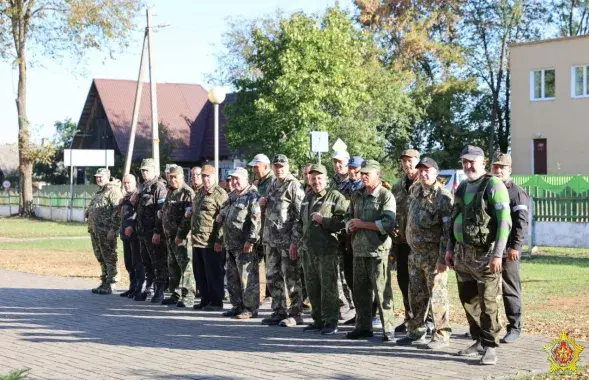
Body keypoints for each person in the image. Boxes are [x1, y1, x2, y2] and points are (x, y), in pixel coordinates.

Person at [447, 145, 512, 365]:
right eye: (464, 162)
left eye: (471, 161)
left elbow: (505, 222)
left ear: (482, 162)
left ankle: (491, 346)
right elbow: (453, 219)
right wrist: (449, 249)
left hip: (486, 256)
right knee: (468, 301)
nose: (467, 166)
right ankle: (478, 340)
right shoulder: (463, 186)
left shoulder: (494, 185)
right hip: (462, 255)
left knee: (488, 302)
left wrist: (497, 255)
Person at [395, 158, 453, 349]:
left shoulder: (443, 197)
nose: (423, 174)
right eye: (420, 171)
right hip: (415, 255)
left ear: (436, 172)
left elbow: (447, 231)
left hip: (434, 256)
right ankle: (416, 331)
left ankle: (441, 334)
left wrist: (444, 257)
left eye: (427, 170)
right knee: (415, 294)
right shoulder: (415, 191)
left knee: (437, 295)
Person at [345, 160, 396, 341]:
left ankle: (388, 329)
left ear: (378, 174)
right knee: (360, 292)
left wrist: (363, 224)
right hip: (359, 250)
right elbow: (348, 215)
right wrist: (349, 225)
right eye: (362, 173)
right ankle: (363, 327)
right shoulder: (357, 194)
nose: (363, 176)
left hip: (377, 251)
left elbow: (389, 223)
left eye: (367, 173)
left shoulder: (385, 196)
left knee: (382, 292)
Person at [294, 164, 346, 335]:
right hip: (308, 251)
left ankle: (331, 321)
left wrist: (324, 220)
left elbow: (343, 223)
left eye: (319, 178)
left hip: (327, 250)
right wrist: (296, 243)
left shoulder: (335, 196)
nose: (316, 181)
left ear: (326, 179)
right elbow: (300, 223)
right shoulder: (307, 197)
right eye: (313, 178)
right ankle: (317, 320)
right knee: (312, 287)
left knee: (328, 287)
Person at [260, 154, 304, 327]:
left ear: (287, 166)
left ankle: (296, 313)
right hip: (271, 239)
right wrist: (263, 203)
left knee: (291, 277)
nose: (279, 169)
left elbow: (300, 215)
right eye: (276, 166)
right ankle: (278, 311)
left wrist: (295, 241)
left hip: (287, 241)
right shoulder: (272, 184)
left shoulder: (293, 185)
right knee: (272, 276)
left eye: (281, 166)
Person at [491, 152, 529, 344]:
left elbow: (522, 223)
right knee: (488, 290)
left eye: (502, 167)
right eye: (495, 167)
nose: (498, 171)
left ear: (509, 170)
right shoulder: (489, 188)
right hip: (490, 250)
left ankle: (515, 327)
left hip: (508, 250)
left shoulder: (516, 192)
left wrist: (515, 247)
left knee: (510, 288)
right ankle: (489, 327)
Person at [217, 167, 262, 319]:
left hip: (244, 246)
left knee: (247, 279)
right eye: (232, 179)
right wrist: (221, 216)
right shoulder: (232, 196)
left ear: (246, 179)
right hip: (230, 244)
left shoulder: (252, 196)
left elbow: (256, 221)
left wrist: (251, 240)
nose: (234, 182)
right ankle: (237, 306)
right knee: (232, 278)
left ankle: (250, 309)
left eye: (238, 179)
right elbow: (225, 211)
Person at [190, 164, 228, 311]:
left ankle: (216, 301)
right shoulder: (199, 193)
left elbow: (223, 219)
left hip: (212, 242)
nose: (205, 179)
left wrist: (219, 240)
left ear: (214, 177)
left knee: (214, 273)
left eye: (208, 176)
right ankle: (205, 299)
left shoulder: (220, 194)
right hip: (198, 240)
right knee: (200, 273)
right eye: (203, 176)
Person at [391, 148, 420, 333]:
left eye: (410, 161)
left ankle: (426, 319)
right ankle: (410, 318)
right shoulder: (397, 186)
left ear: (417, 161)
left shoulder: (425, 183)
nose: (407, 164)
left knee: (420, 283)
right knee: (403, 281)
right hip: (401, 242)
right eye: (404, 161)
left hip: (419, 244)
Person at [161, 166, 196, 307]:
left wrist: (180, 235)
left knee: (186, 267)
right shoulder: (170, 191)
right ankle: (176, 294)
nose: (173, 180)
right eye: (170, 177)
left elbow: (187, 218)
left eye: (175, 177)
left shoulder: (187, 193)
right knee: (173, 266)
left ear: (182, 177)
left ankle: (188, 296)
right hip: (170, 237)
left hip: (182, 238)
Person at [135, 158, 168, 303]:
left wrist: (157, 232)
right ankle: (148, 288)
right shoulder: (143, 186)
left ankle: (159, 290)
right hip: (142, 232)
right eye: (142, 170)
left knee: (158, 262)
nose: (144, 173)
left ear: (155, 171)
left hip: (153, 233)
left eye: (147, 170)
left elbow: (161, 212)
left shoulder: (159, 187)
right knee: (146, 261)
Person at [86, 168, 123, 295]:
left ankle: (111, 282)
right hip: (96, 231)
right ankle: (104, 281)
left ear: (107, 177)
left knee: (109, 256)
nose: (98, 179)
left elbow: (118, 210)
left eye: (101, 177)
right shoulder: (101, 191)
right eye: (97, 177)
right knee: (101, 256)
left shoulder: (113, 190)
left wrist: (113, 229)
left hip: (106, 230)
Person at [330, 150, 355, 323]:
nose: (338, 165)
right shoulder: (332, 183)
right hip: (335, 234)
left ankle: (354, 306)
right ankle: (342, 305)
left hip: (349, 235)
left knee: (350, 273)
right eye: (335, 162)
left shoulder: (353, 183)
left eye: (341, 162)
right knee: (337, 272)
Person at [249, 153, 275, 302]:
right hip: (258, 228)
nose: (254, 170)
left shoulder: (272, 181)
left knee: (270, 264)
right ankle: (259, 294)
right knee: (257, 263)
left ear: (265, 166)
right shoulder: (258, 182)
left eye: (256, 167)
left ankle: (271, 295)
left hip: (269, 228)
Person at [119, 174, 144, 299]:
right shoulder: (126, 197)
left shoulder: (137, 195)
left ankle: (139, 288)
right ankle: (132, 287)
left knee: (137, 263)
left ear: (135, 183)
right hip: (125, 235)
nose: (127, 185)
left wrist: (133, 226)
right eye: (125, 183)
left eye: (129, 182)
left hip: (135, 235)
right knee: (128, 263)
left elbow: (140, 214)